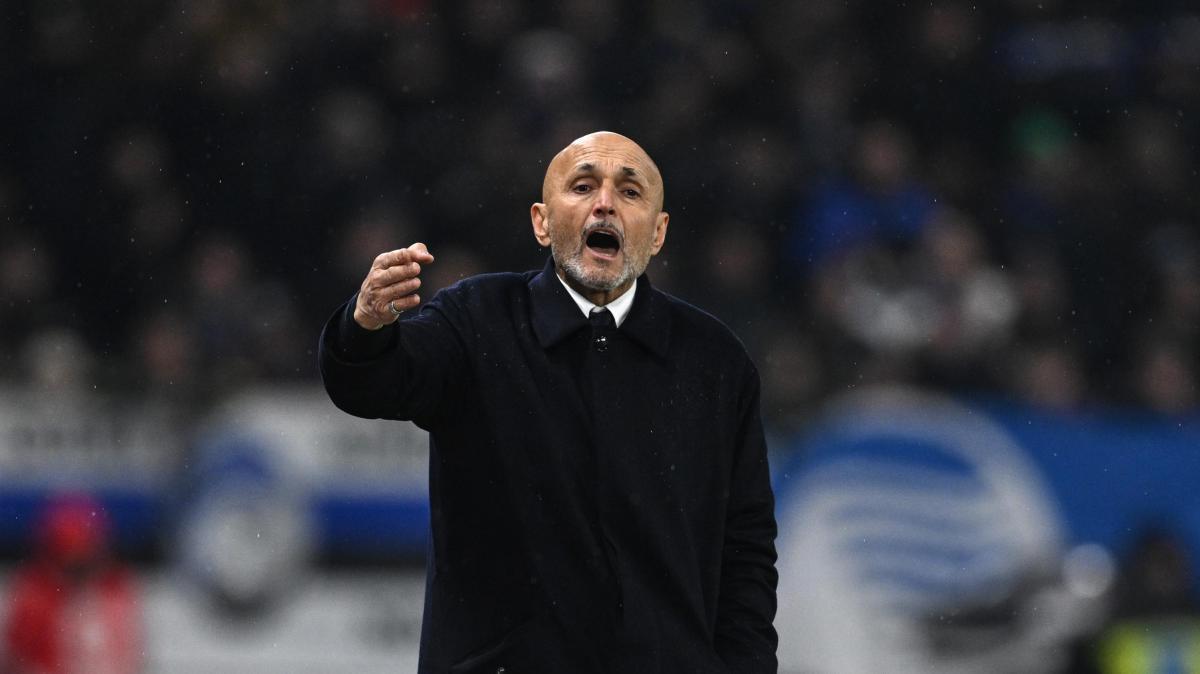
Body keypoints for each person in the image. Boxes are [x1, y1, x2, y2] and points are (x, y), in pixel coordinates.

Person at [319, 131, 778, 673]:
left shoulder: (714, 361)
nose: (604, 203)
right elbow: (373, 382)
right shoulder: (477, 319)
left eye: (630, 192)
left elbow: (745, 548)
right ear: (541, 222)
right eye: (582, 187)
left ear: (657, 233)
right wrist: (365, 327)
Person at [1, 493, 143, 674]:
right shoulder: (34, 601)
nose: (78, 567)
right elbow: (17, 660)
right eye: (71, 560)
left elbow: (126, 658)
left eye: (85, 557)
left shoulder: (115, 594)